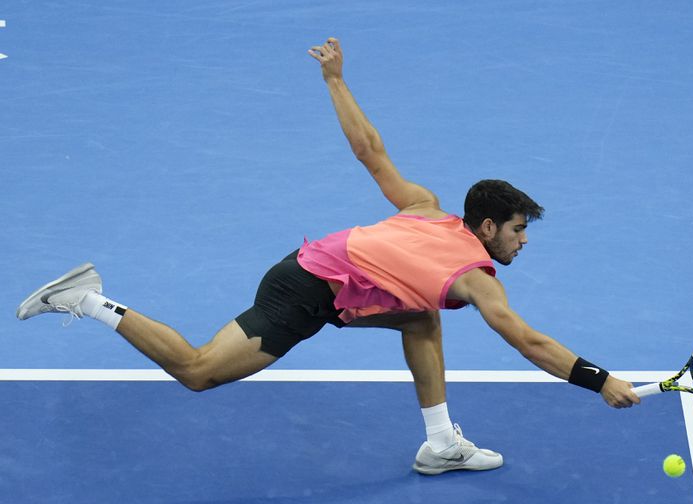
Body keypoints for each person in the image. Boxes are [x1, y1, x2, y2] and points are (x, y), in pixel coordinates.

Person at [16, 37, 640, 476]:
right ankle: (87, 297)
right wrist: (599, 379)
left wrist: (336, 80)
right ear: (486, 226)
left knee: (422, 315)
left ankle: (440, 441)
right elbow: (527, 341)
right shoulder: (477, 280)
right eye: (518, 229)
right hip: (307, 291)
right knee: (199, 370)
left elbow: (371, 152)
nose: (522, 241)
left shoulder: (426, 206)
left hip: (319, 271)